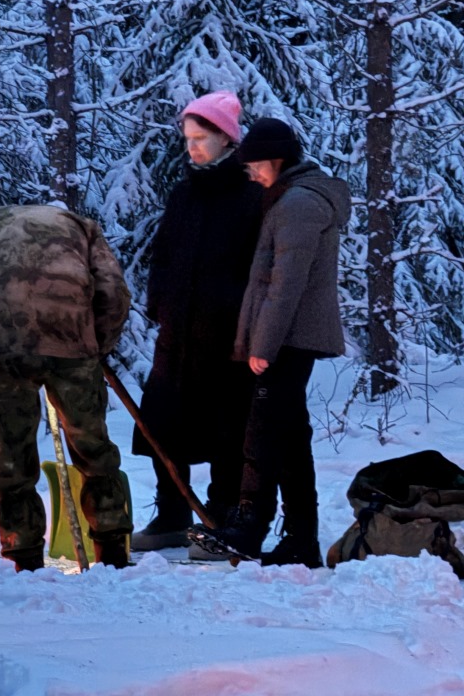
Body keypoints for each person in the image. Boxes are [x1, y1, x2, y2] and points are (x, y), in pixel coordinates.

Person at [0, 204, 133, 570]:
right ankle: (112, 555)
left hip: (7, 351)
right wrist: (94, 346)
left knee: (10, 460)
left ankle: (25, 560)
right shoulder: (81, 226)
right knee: (94, 452)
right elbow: (114, 294)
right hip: (73, 347)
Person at [189, 117, 350, 567]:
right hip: (289, 338)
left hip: (288, 340)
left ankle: (250, 527)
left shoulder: (298, 204)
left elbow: (285, 284)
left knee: (261, 435)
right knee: (290, 437)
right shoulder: (290, 199)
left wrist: (264, 345)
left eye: (254, 164)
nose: (250, 172)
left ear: (276, 160)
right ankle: (301, 540)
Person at [131, 90, 264, 557]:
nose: (191, 148)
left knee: (227, 430)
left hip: (226, 338)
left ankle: (220, 516)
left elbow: (258, 266)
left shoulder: (250, 196)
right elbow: (163, 255)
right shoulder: (184, 192)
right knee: (164, 424)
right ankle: (172, 513)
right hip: (178, 334)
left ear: (227, 140)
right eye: (187, 138)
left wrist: (240, 316)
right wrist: (160, 303)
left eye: (201, 138)